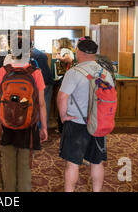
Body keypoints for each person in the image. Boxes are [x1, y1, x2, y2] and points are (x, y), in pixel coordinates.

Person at [0, 32, 48, 192]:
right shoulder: (35, 73)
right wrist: (43, 127)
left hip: (6, 123)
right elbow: (42, 104)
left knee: (8, 166)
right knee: (25, 166)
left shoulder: (4, 71)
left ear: (12, 51)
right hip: (28, 126)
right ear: (28, 52)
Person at [57, 37, 114, 192]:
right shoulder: (106, 74)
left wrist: (63, 117)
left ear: (79, 52)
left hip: (76, 122)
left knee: (72, 163)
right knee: (97, 162)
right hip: (98, 123)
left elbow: (62, 97)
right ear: (95, 53)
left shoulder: (73, 72)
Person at [54, 37, 75, 133]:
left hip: (64, 78)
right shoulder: (69, 50)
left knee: (62, 103)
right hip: (69, 78)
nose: (57, 45)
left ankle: (61, 128)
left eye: (58, 43)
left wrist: (59, 58)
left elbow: (68, 59)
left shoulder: (64, 50)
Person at [31, 43, 54, 131]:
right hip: (46, 81)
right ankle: (41, 129)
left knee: (41, 106)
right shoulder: (38, 53)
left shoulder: (34, 55)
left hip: (43, 83)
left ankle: (39, 130)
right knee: (44, 106)